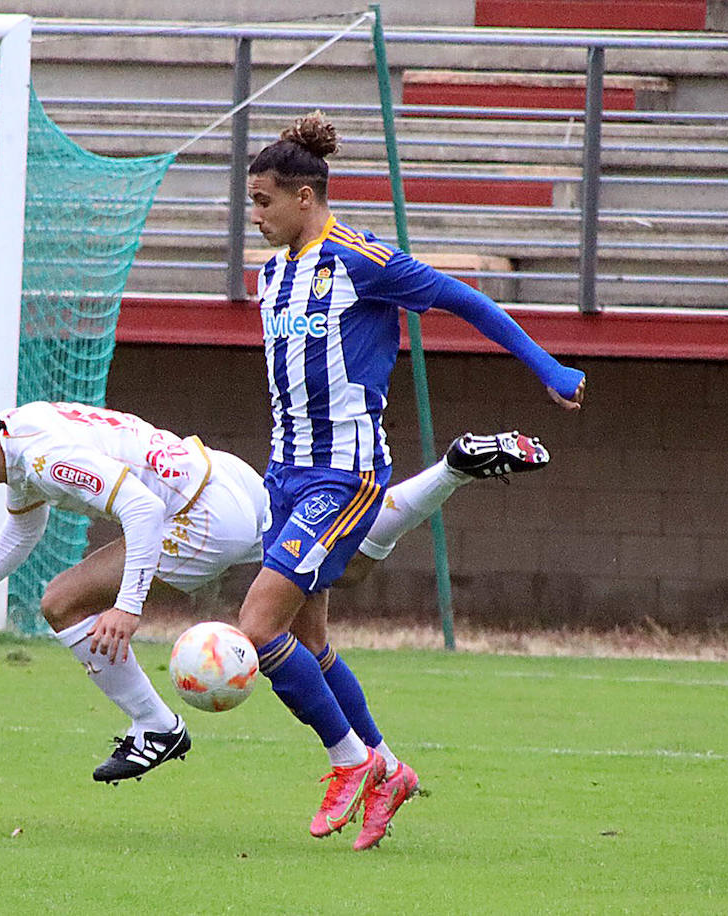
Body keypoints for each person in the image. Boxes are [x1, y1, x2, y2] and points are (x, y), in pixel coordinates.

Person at [0, 386, 549, 798]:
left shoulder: (41, 458)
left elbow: (138, 510)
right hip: (221, 475)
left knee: (62, 601)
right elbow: (25, 526)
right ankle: (448, 473)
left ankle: (157, 727)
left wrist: (129, 607)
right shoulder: (20, 436)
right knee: (332, 587)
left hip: (194, 513)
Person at [238, 110, 585, 850]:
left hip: (345, 472)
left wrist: (545, 367)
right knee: (310, 639)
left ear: (306, 197)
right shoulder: (270, 275)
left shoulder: (361, 260)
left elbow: (466, 300)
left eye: (264, 201)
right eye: (252, 202)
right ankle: (388, 769)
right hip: (286, 471)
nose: (255, 215)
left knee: (257, 629)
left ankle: (349, 762)